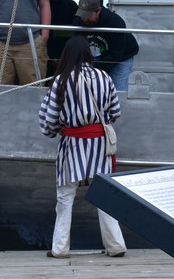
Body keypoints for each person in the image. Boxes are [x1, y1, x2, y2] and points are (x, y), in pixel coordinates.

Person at [38, 35, 126, 258]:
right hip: (100, 144)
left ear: (68, 54)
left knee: (65, 196)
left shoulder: (61, 80)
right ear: (88, 53)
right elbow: (115, 112)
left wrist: (56, 130)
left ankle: (59, 248)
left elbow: (48, 121)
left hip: (72, 144)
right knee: (104, 196)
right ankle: (115, 246)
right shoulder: (104, 77)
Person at [73, 0, 139, 92]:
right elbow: (78, 47)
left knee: (118, 89)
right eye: (82, 15)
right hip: (95, 57)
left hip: (121, 57)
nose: (84, 19)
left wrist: (95, 69)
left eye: (88, 15)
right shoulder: (78, 23)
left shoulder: (115, 23)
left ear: (98, 11)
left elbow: (116, 54)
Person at [45, 0, 78, 75]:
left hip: (67, 54)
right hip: (46, 54)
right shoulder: (41, 5)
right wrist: (50, 57)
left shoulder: (71, 5)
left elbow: (77, 33)